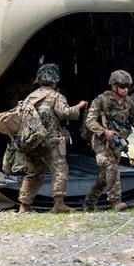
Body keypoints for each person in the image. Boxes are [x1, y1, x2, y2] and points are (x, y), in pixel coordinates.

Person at [16, 63, 87, 214]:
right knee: (61, 170)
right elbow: (65, 113)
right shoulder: (56, 96)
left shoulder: (31, 96)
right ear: (55, 80)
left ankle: (24, 205)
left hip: (31, 141)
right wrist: (79, 106)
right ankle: (58, 204)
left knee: (34, 172)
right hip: (50, 141)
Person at [83, 70, 134, 211]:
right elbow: (90, 121)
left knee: (105, 175)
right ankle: (116, 202)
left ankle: (89, 202)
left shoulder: (129, 102)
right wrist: (104, 131)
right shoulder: (101, 100)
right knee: (111, 168)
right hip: (101, 142)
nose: (126, 89)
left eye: (128, 86)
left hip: (118, 143)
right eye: (122, 85)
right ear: (113, 86)